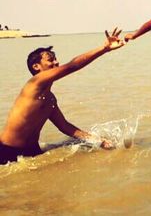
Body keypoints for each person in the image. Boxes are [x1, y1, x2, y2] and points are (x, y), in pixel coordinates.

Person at [0, 29, 124, 165]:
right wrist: (104, 48)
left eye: (56, 59)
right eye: (50, 60)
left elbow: (65, 126)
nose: (57, 63)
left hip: (32, 152)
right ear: (36, 66)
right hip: (7, 151)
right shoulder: (34, 83)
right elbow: (73, 66)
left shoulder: (50, 99)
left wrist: (98, 141)